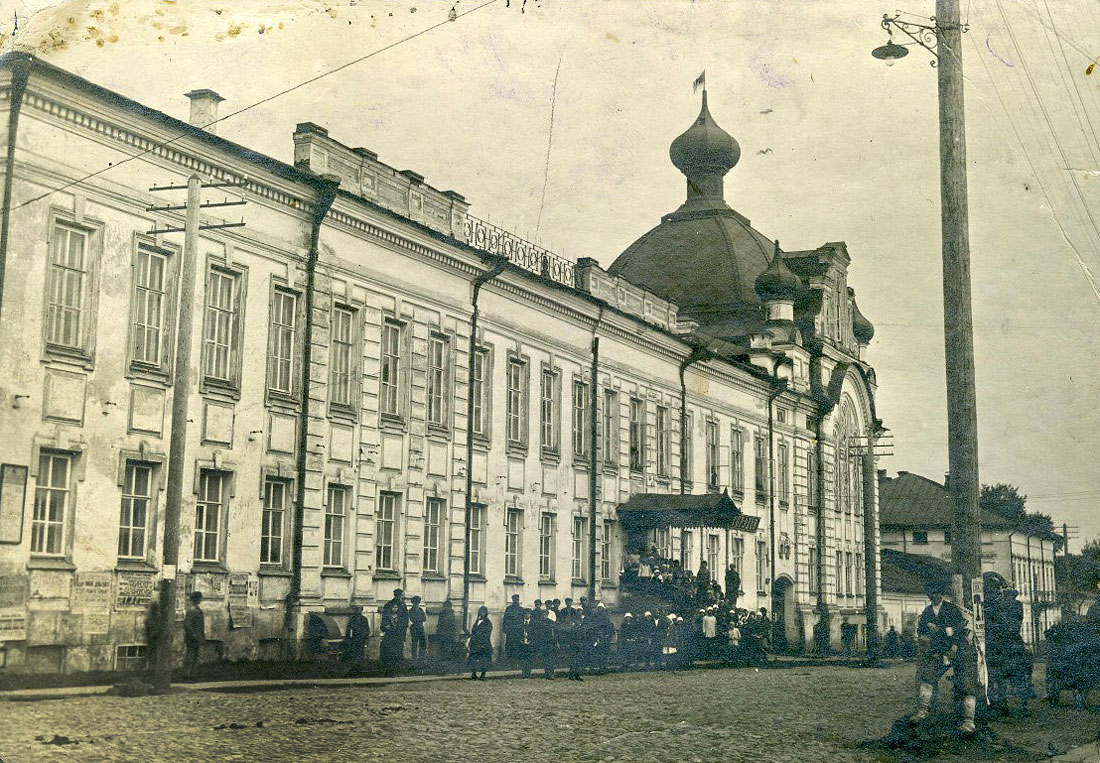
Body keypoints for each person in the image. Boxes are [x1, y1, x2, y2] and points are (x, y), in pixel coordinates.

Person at [910, 579, 979, 734]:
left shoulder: (951, 609)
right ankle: (923, 710)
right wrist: (925, 638)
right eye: (930, 594)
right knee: (927, 678)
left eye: (935, 593)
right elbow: (921, 632)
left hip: (956, 649)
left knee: (966, 683)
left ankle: (969, 720)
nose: (933, 596)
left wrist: (944, 633)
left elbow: (959, 629)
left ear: (941, 594)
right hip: (937, 651)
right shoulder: (927, 612)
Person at [380, 588, 409, 675]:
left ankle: (398, 670)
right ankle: (389, 670)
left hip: (399, 633)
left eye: (399, 595)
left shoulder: (403, 605)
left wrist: (403, 633)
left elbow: (406, 619)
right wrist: (385, 627)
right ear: (394, 595)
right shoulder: (389, 604)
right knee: (389, 652)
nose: (398, 597)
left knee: (399, 651)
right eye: (396, 595)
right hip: (390, 634)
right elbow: (384, 619)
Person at [182, 591, 205, 681]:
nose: (201, 600)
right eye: (200, 598)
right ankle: (186, 674)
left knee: (195, 656)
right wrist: (193, 634)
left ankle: (192, 675)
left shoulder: (197, 609)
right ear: (196, 599)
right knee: (190, 656)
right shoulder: (192, 610)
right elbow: (187, 624)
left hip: (196, 637)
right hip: (193, 638)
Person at [467, 606, 493, 680]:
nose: (482, 614)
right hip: (475, 643)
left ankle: (483, 674)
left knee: (484, 660)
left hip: (484, 644)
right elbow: (473, 630)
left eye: (483, 612)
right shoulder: (477, 621)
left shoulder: (487, 622)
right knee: (473, 659)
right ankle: (474, 673)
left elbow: (487, 633)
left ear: (486, 613)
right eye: (481, 612)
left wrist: (480, 637)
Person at [502, 594, 524, 662]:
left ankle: (517, 661)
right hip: (510, 631)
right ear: (512, 600)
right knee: (509, 646)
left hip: (518, 631)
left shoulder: (521, 609)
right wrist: (504, 628)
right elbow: (505, 619)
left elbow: (523, 620)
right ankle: (510, 660)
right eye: (514, 599)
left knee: (518, 646)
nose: (516, 601)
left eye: (517, 599)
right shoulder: (509, 609)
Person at [516, 609, 536, 677]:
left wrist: (532, 641)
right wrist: (519, 640)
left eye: (529, 613)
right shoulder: (520, 623)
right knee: (523, 658)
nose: (527, 615)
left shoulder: (533, 623)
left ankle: (529, 673)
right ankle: (524, 673)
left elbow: (535, 633)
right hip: (522, 643)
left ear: (530, 615)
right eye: (526, 613)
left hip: (530, 644)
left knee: (529, 659)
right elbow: (517, 633)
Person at [408, 596, 428, 661]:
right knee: (414, 643)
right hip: (414, 628)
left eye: (417, 602)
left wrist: (418, 619)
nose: (416, 604)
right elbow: (412, 618)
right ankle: (414, 657)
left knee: (423, 642)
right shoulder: (411, 610)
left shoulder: (420, 609)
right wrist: (419, 619)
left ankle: (421, 656)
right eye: (415, 602)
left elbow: (424, 618)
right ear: (413, 603)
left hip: (420, 627)